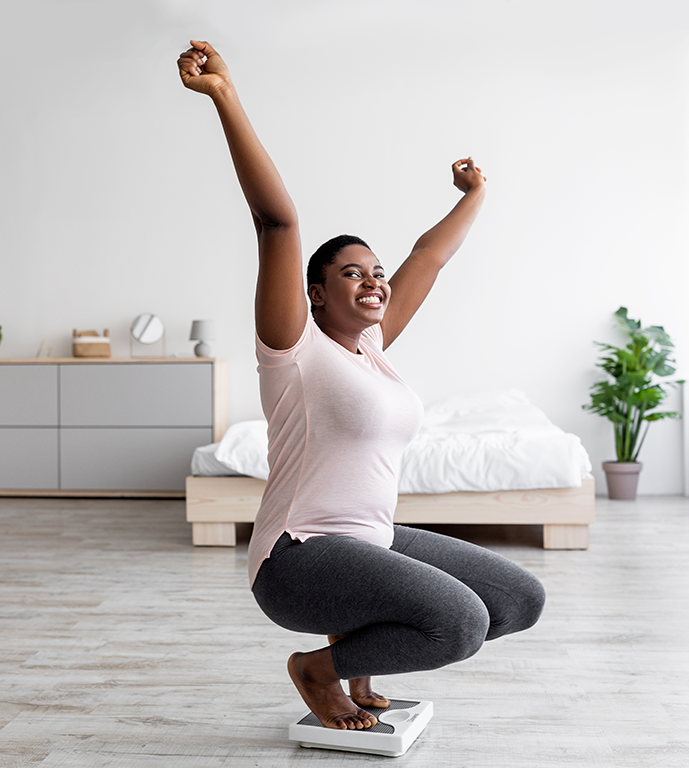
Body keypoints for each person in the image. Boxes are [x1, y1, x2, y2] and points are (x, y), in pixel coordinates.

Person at [177, 40, 546, 731]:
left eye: (374, 271)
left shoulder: (372, 348)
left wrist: (477, 194)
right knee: (460, 622)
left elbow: (427, 259)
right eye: (352, 273)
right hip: (298, 558)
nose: (373, 280)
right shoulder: (293, 350)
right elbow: (276, 221)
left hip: (369, 540)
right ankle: (319, 668)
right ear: (314, 295)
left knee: (519, 597)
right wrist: (225, 95)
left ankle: (353, 645)